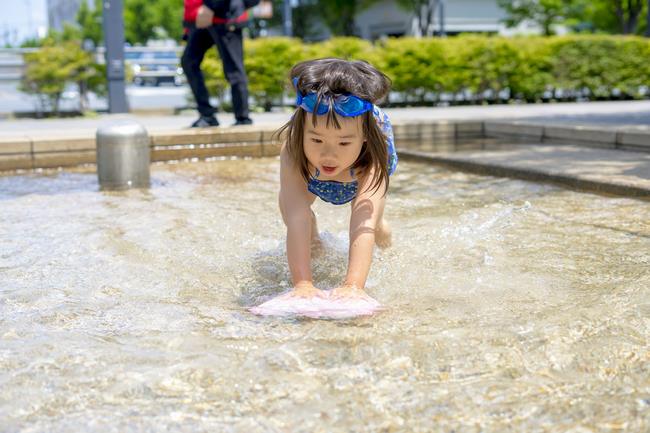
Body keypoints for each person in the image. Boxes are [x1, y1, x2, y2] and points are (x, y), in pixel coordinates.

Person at [277, 58, 398, 301]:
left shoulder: (374, 152)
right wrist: (303, 285)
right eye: (317, 140)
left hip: (359, 168)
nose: (329, 155)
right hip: (310, 175)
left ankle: (386, 235)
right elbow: (296, 215)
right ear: (303, 134)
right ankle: (314, 238)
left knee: (373, 224)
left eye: (343, 143)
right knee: (298, 217)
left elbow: (362, 221)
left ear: (363, 136)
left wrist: (353, 287)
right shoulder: (294, 148)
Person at [181, 0, 257, 127]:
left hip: (225, 16)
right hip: (200, 17)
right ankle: (207, 115)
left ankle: (243, 118)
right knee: (189, 62)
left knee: (233, 68)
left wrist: (209, 6)